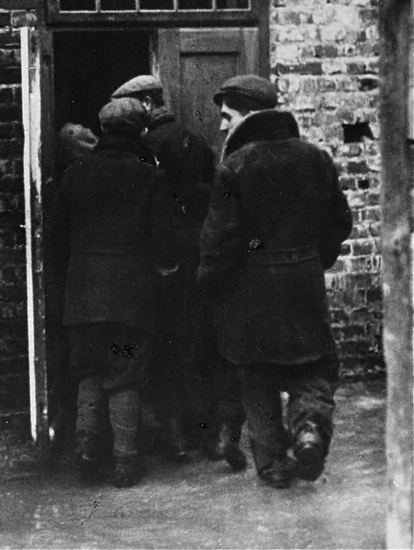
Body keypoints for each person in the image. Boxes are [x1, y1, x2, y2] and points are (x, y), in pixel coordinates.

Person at [198, 75, 352, 489]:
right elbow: (340, 221)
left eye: (226, 116)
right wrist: (312, 259)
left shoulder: (234, 166)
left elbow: (219, 240)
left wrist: (210, 283)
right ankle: (309, 431)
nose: (220, 125)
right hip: (303, 284)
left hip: (248, 294)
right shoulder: (315, 158)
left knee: (256, 376)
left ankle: (273, 465)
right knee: (315, 367)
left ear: (249, 114)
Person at [109, 74, 241, 463]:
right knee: (202, 345)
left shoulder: (143, 147)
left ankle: (178, 436)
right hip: (199, 258)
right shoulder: (195, 140)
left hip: (162, 266)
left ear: (147, 105)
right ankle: (212, 433)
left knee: (167, 352)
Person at [54, 97, 180, 487]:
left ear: (104, 130)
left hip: (83, 293)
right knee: (124, 372)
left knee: (89, 368)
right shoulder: (149, 176)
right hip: (130, 296)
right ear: (141, 131)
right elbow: (164, 240)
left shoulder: (75, 173)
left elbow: (57, 235)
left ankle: (88, 452)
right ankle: (126, 461)